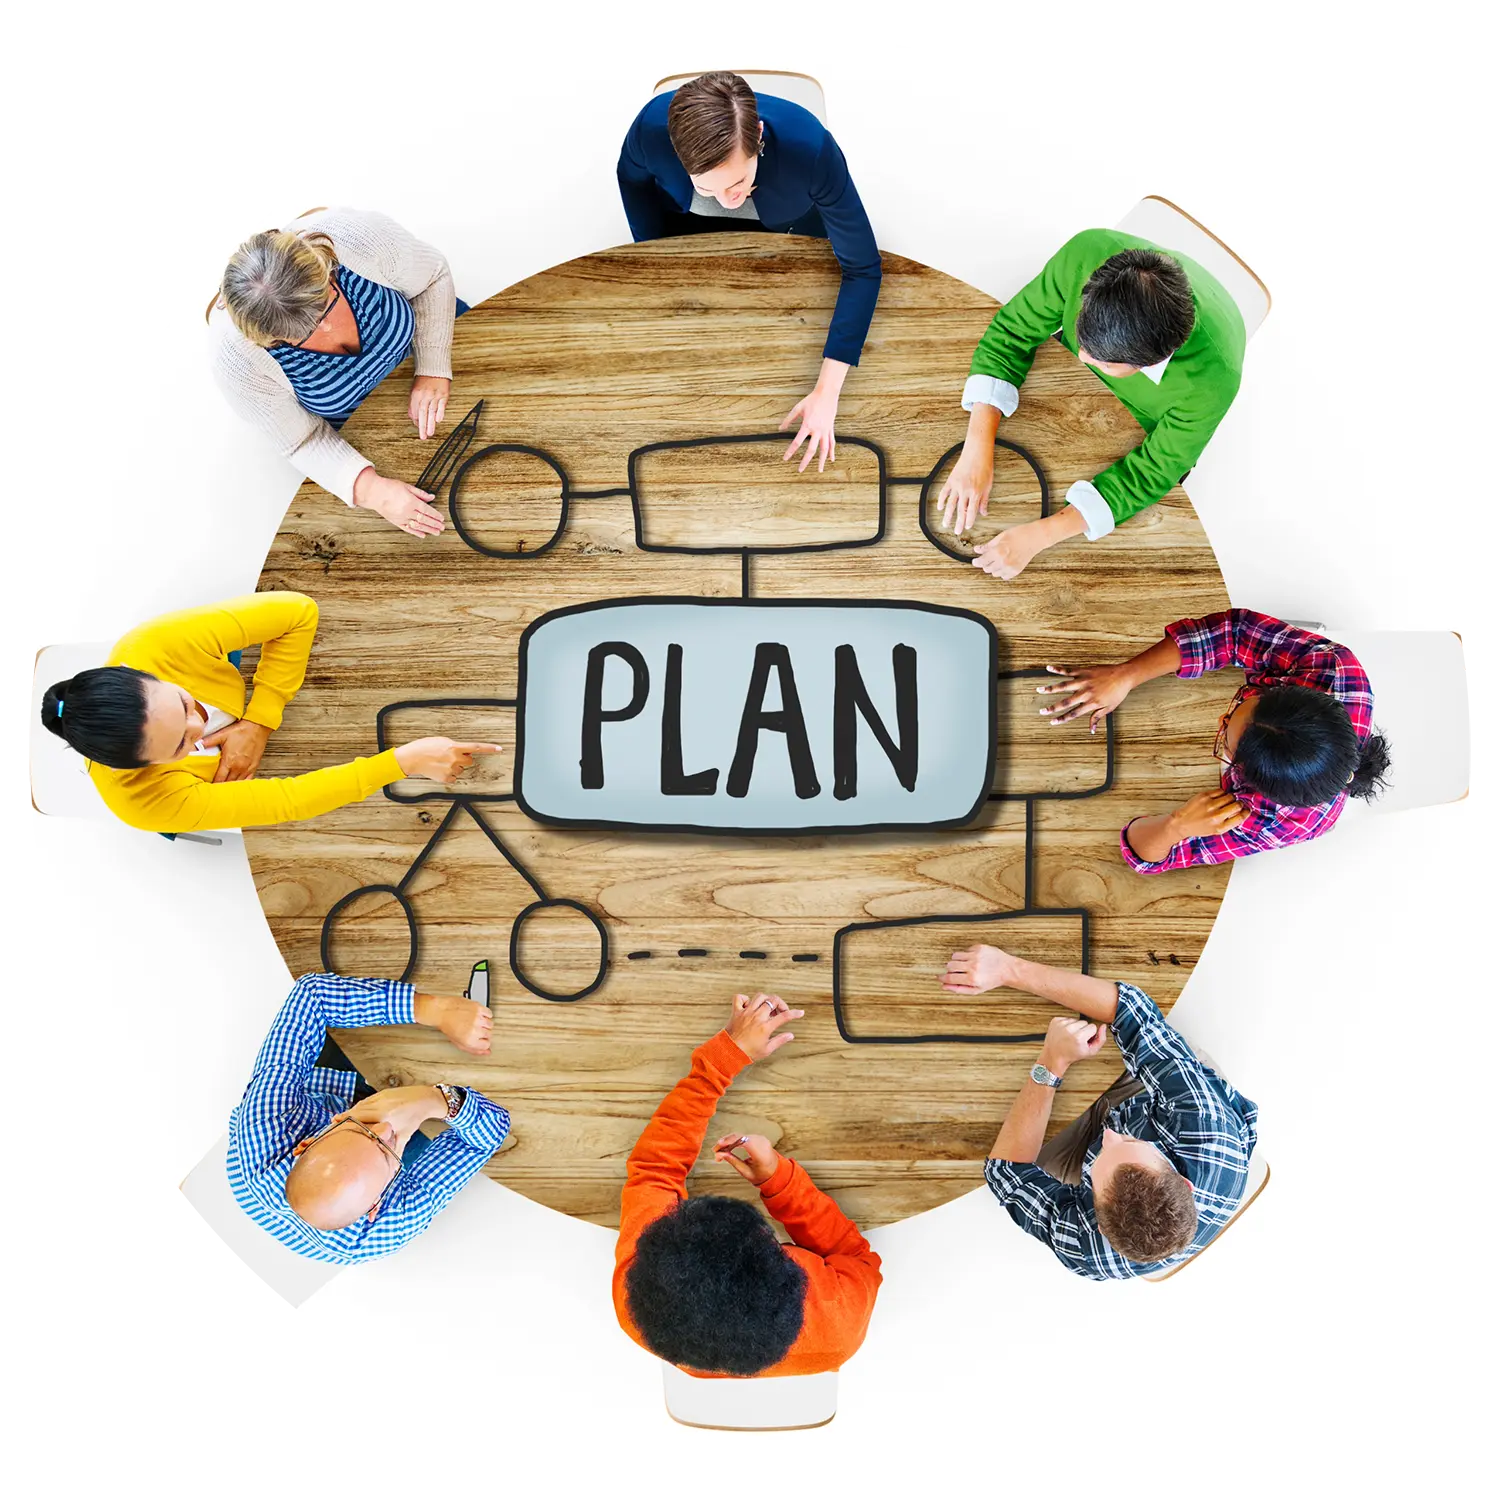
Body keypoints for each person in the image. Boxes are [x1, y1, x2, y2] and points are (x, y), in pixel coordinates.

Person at [39, 592, 498, 833]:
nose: (198, 721)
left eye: (182, 703)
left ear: (146, 675)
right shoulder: (142, 803)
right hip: (207, 803)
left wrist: (259, 719)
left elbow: (298, 612)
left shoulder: (152, 646)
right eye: (181, 744)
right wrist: (402, 762)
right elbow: (286, 802)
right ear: (147, 766)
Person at [938, 229, 1245, 579]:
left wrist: (1040, 535)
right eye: (1082, 340)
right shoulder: (1086, 253)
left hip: (1135, 434)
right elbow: (1010, 335)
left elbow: (1151, 473)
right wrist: (977, 447)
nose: (1081, 356)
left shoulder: (1216, 379)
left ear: (1148, 364)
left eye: (1102, 361)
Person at [617, 72, 881, 475]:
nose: (729, 200)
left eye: (738, 181)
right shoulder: (650, 129)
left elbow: (862, 268)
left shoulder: (811, 149)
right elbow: (632, 181)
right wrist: (660, 262)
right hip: (688, 227)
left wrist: (828, 392)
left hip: (791, 230)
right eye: (711, 188)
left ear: (757, 134)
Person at [942, 944, 1258, 1280]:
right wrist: (1006, 968)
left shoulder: (1085, 1247)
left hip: (1108, 1139)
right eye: (1128, 1145)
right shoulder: (1206, 1129)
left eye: (1098, 1172)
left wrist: (1052, 1062)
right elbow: (1134, 1010)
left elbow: (1005, 1173)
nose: (1107, 1136)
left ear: (1096, 1215)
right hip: (1156, 1101)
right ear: (1183, 1182)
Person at [614, 993, 883, 1376]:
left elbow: (655, 1168)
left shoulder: (638, 1292)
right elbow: (855, 1257)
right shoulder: (840, 1319)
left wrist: (726, 1056)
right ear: (796, 1279)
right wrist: (779, 1181)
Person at [1035, 609, 1390, 872]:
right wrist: (1126, 675)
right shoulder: (1335, 670)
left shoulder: (1272, 820)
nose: (1222, 718)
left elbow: (1144, 856)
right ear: (1289, 690)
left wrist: (1177, 825)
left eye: (1227, 741)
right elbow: (1234, 632)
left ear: (1250, 782)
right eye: (1241, 706)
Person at [209, 207, 461, 538]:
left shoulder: (358, 237)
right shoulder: (238, 360)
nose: (327, 326)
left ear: (326, 268)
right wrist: (374, 491)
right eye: (303, 334)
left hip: (441, 349)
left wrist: (432, 367)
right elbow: (301, 440)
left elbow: (433, 277)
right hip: (370, 434)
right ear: (267, 339)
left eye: (326, 304)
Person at [227, 972, 510, 1264]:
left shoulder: (265, 1125)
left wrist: (436, 1010)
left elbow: (312, 995)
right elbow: (490, 1134)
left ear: (310, 1141)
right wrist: (434, 1101)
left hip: (322, 1093)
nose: (388, 1124)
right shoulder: (391, 1223)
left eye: (363, 1129)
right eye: (385, 1150)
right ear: (376, 1203)